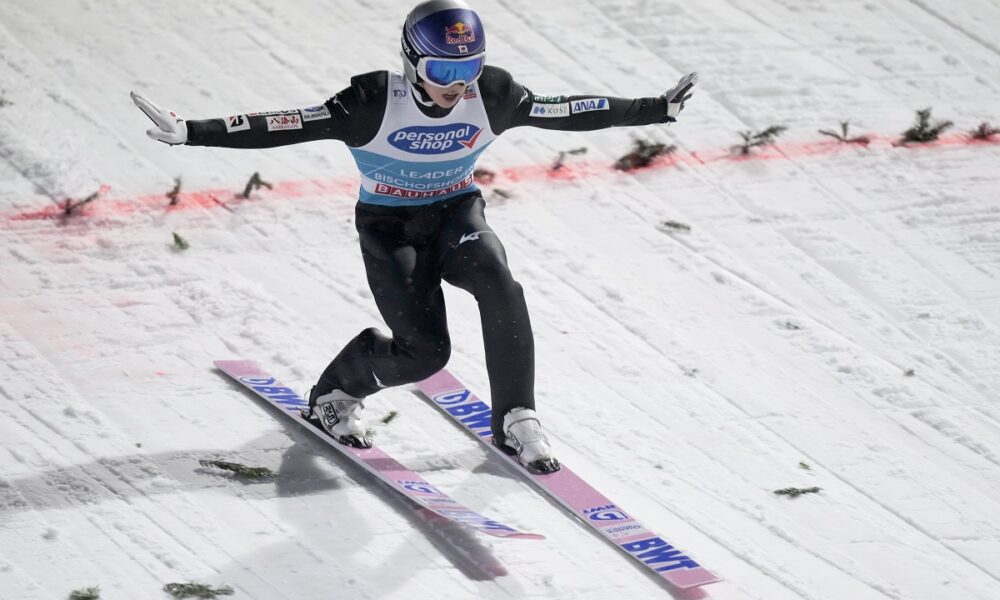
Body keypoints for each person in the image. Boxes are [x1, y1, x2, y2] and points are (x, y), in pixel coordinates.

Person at [132, 0, 696, 473]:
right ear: (411, 61)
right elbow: (287, 125)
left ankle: (516, 417)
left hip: (456, 216)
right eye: (443, 71)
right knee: (426, 354)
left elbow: (568, 109)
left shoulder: (492, 95)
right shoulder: (371, 103)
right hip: (390, 227)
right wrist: (191, 132)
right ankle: (338, 390)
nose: (457, 85)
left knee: (501, 285)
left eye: (469, 68)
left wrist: (656, 108)